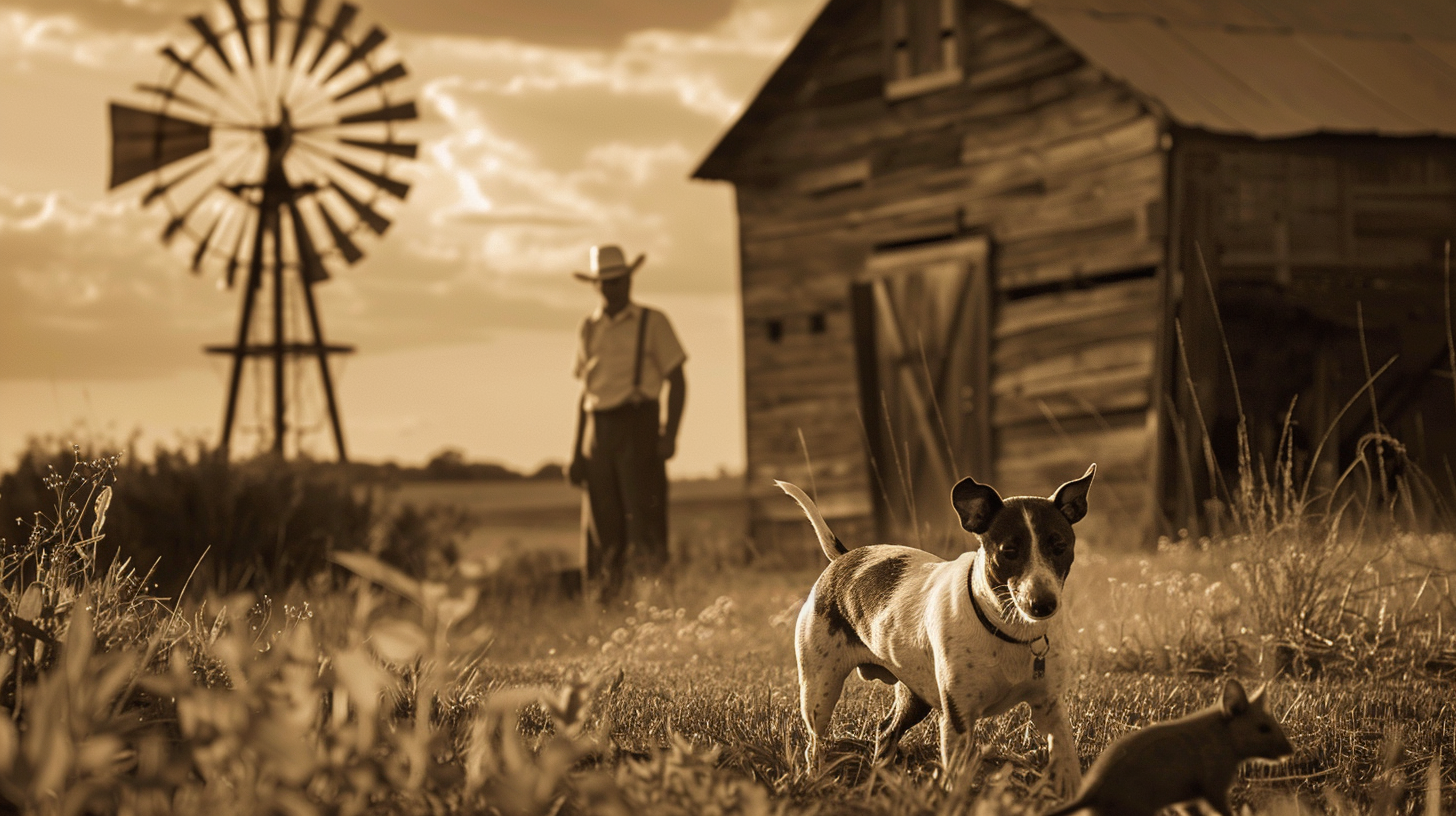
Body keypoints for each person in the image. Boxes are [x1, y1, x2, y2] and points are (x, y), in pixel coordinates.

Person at [568, 244, 687, 605]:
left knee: (645, 519)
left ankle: (655, 603)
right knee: (602, 524)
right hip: (598, 431)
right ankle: (607, 604)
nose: (612, 288)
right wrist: (576, 452)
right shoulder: (588, 328)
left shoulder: (653, 321)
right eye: (605, 282)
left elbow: (677, 379)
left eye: (618, 280)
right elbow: (585, 393)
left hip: (639, 424)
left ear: (629, 280)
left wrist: (669, 434)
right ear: (596, 285)